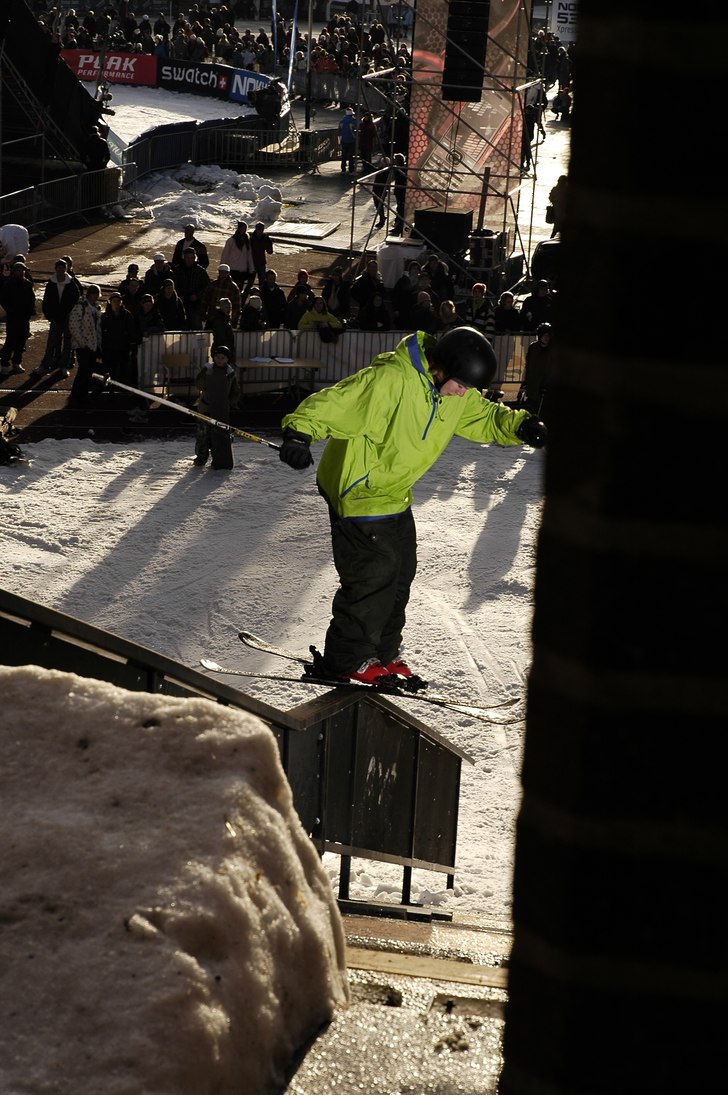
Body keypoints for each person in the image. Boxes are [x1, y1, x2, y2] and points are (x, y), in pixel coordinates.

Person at [277, 326, 547, 681]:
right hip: (358, 491)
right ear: (441, 368)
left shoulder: (453, 394)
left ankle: (383, 654)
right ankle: (346, 660)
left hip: (394, 492)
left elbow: (484, 415)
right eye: (461, 385)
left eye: (468, 388)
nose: (463, 393)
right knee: (374, 574)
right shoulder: (392, 379)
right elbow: (340, 401)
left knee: (401, 573)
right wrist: (299, 432)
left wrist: (520, 426)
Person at [192, 346, 240, 470]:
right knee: (203, 435)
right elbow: (199, 386)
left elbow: (235, 390)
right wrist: (205, 376)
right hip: (205, 408)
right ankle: (201, 458)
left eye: (222, 358)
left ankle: (218, 460)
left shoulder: (230, 373)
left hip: (220, 409)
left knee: (219, 436)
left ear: (226, 359)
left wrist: (231, 403)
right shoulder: (207, 369)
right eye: (217, 357)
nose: (219, 360)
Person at [33, 258, 80, 378]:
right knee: (51, 342)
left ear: (66, 269)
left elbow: (76, 299)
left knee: (68, 343)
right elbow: (47, 300)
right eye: (59, 268)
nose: (61, 270)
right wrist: (49, 314)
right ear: (56, 269)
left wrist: (71, 314)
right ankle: (45, 365)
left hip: (68, 318)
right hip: (55, 317)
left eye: (63, 268)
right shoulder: (51, 283)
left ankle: (63, 366)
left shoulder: (71, 283)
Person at [67, 284, 103, 407]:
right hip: (82, 346)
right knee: (83, 371)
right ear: (88, 294)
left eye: (96, 294)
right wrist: (82, 342)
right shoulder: (80, 307)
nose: (95, 296)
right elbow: (73, 325)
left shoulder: (96, 308)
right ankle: (75, 396)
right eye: (92, 293)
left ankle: (82, 395)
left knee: (88, 372)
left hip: (93, 345)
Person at [0, 262, 36, 376]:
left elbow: (32, 299)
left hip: (24, 317)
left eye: (22, 270)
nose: (21, 272)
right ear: (14, 271)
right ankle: (5, 363)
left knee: (21, 340)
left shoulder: (27, 284)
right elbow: (3, 299)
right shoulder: (9, 284)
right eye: (18, 270)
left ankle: (17, 362)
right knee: (11, 341)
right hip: (13, 317)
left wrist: (30, 311)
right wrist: (11, 310)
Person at [100, 290, 135, 387]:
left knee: (122, 368)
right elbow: (101, 331)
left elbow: (131, 330)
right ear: (110, 302)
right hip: (109, 347)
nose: (116, 303)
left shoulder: (127, 315)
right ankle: (110, 385)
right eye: (114, 301)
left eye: (118, 301)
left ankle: (119, 385)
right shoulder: (105, 316)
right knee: (110, 367)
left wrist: (130, 343)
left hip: (122, 346)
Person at [172, 246, 211, 330]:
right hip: (181, 305)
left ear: (194, 258)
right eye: (187, 258)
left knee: (196, 331)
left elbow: (207, 287)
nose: (189, 260)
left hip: (196, 306)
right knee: (181, 329)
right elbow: (173, 286)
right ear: (184, 258)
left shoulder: (201, 271)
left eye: (191, 258)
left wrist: (197, 295)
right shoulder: (177, 270)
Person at [520, 322, 553, 417]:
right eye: (544, 335)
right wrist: (526, 382)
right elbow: (529, 365)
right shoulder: (533, 348)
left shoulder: (551, 350)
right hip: (533, 383)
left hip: (544, 383)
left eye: (548, 335)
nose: (546, 338)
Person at [220, 221, 256, 300]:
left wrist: (251, 268)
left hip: (242, 270)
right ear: (238, 229)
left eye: (245, 228)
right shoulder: (231, 240)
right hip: (232, 269)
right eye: (242, 228)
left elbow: (249, 256)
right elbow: (225, 254)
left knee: (239, 290)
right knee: (230, 289)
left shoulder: (247, 241)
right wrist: (222, 267)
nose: (243, 230)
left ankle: (237, 305)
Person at [205, 297, 236, 363]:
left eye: (230, 307)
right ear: (221, 307)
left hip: (222, 351)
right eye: (227, 307)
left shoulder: (224, 319)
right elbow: (222, 338)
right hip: (221, 352)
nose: (229, 310)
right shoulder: (220, 320)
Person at [249, 221, 273, 288]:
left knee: (262, 282)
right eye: (259, 229)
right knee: (250, 282)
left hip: (261, 263)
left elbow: (270, 251)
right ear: (256, 229)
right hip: (252, 263)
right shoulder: (251, 238)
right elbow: (247, 250)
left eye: (262, 229)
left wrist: (269, 243)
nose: (260, 231)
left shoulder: (265, 238)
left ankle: (261, 296)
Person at [548, 173, 568, 238]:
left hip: (557, 210)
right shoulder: (567, 190)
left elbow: (550, 198)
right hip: (564, 212)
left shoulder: (555, 189)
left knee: (556, 228)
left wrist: (554, 202)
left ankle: (552, 238)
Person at [338, 106, 357, 174]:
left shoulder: (342, 121)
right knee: (351, 156)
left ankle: (343, 169)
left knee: (344, 155)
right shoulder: (354, 121)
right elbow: (356, 131)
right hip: (352, 140)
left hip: (343, 140)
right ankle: (351, 170)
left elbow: (339, 131)